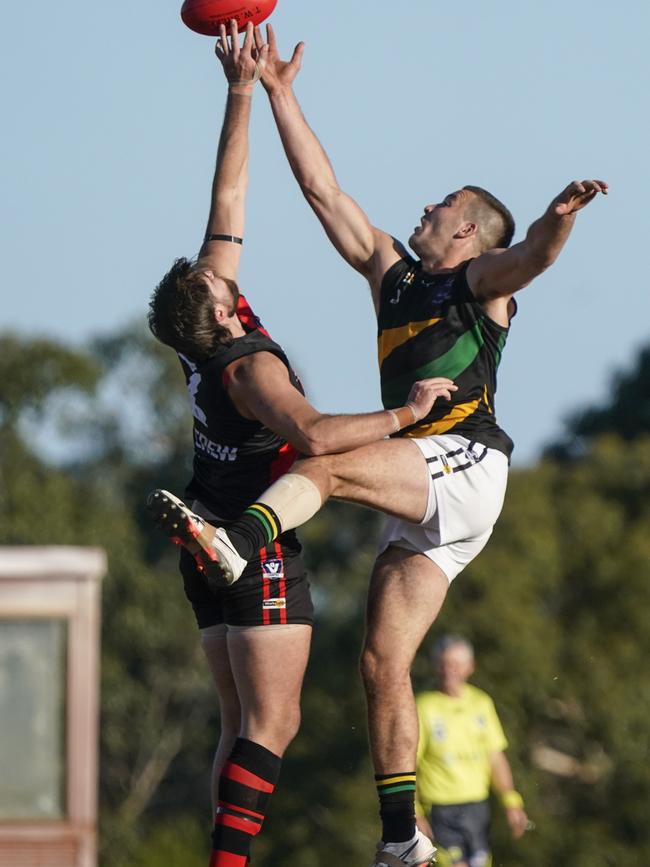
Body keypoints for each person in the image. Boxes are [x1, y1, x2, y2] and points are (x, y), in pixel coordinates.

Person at [151, 24, 608, 867]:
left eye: (443, 206)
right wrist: (281, 95)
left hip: (464, 465)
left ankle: (239, 542)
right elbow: (323, 192)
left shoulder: (477, 281)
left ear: (468, 232)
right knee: (380, 662)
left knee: (318, 458)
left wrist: (557, 218)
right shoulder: (392, 271)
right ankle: (403, 840)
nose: (427, 206)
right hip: (426, 489)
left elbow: (532, 259)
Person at [146, 21, 453, 867]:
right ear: (215, 310)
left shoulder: (198, 336)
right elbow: (314, 435)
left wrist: (241, 91)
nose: (222, 266)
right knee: (276, 724)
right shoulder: (247, 365)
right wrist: (406, 415)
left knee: (238, 722)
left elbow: (229, 201)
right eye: (215, 280)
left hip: (203, 529)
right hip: (254, 542)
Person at [415, 636, 528, 867]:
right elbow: (408, 763)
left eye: (456, 664)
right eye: (444, 663)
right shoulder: (423, 706)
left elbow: (495, 756)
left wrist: (511, 801)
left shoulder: (481, 703)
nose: (449, 670)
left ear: (470, 667)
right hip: (440, 808)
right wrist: (413, 811)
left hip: (477, 807)